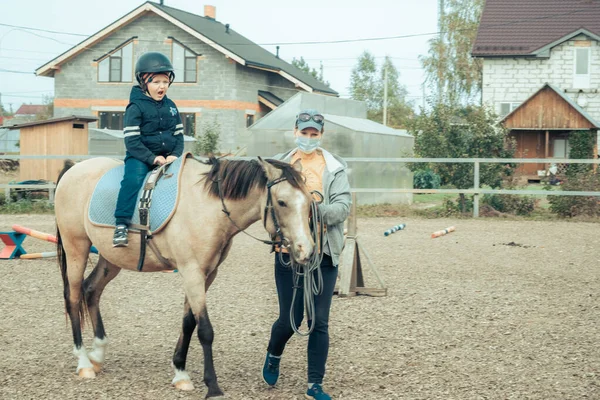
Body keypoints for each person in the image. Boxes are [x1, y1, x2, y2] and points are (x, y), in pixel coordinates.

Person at [262, 109, 351, 400]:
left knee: (320, 320)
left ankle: (315, 384)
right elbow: (270, 208)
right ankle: (274, 353)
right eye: (304, 133)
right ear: (295, 131)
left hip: (323, 252)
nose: (309, 138)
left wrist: (312, 210)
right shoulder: (280, 165)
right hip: (289, 250)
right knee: (290, 318)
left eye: (314, 134)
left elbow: (342, 208)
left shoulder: (335, 168)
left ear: (321, 135)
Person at [112, 52, 184, 247]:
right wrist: (153, 159)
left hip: (169, 157)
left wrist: (175, 155)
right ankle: (121, 225)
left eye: (165, 82)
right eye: (156, 82)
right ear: (144, 82)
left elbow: (179, 136)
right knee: (132, 181)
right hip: (140, 157)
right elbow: (132, 142)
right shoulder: (135, 107)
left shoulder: (171, 107)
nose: (162, 87)